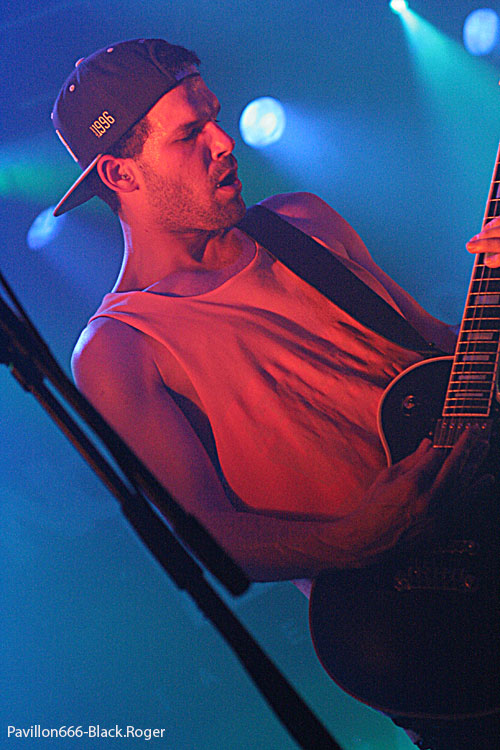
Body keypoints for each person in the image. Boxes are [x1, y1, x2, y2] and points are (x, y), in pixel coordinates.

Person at [51, 38, 498, 749]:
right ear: (118, 172)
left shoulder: (304, 222)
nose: (224, 142)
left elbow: (444, 354)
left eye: (215, 116)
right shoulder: (120, 348)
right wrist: (352, 539)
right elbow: (203, 532)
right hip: (429, 622)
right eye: (190, 134)